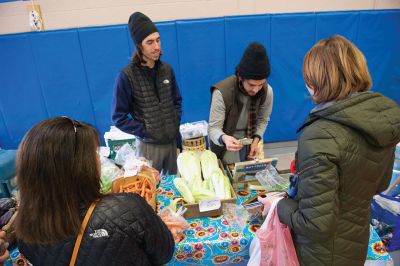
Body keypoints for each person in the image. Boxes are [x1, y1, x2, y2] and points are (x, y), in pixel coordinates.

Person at [260, 35, 400, 265]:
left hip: (321, 255)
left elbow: (315, 225)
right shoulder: (380, 121)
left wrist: (278, 205)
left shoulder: (320, 136)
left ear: (316, 83)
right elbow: (379, 184)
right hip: (354, 243)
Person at [15, 117, 174, 266]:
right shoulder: (130, 208)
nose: (99, 159)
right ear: (80, 167)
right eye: (95, 153)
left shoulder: (23, 230)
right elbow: (164, 254)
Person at [111, 12, 182, 176]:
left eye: (158, 40)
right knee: (150, 190)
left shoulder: (167, 70)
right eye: (149, 42)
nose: (156, 46)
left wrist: (173, 120)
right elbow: (118, 117)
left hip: (171, 143)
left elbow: (177, 101)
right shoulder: (126, 76)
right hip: (149, 147)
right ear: (139, 46)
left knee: (173, 189)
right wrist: (145, 130)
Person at [208, 42, 273, 164]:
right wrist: (224, 138)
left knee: (252, 178)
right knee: (231, 177)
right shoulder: (222, 92)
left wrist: (256, 139)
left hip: (251, 141)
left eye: (261, 84)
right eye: (251, 84)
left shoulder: (267, 91)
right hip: (226, 144)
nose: (256, 89)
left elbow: (263, 119)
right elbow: (213, 129)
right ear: (240, 76)